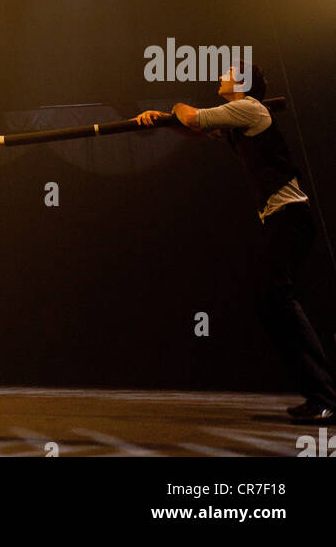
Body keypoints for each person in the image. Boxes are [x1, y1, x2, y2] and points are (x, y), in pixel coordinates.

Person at [136, 63, 336, 426]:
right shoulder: (236, 116)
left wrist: (176, 109)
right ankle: (319, 394)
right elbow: (197, 130)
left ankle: (325, 397)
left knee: (276, 297)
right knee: (270, 301)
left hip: (291, 216)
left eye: (228, 72)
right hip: (281, 219)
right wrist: (163, 119)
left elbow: (194, 118)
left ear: (242, 84)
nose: (221, 76)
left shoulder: (250, 109)